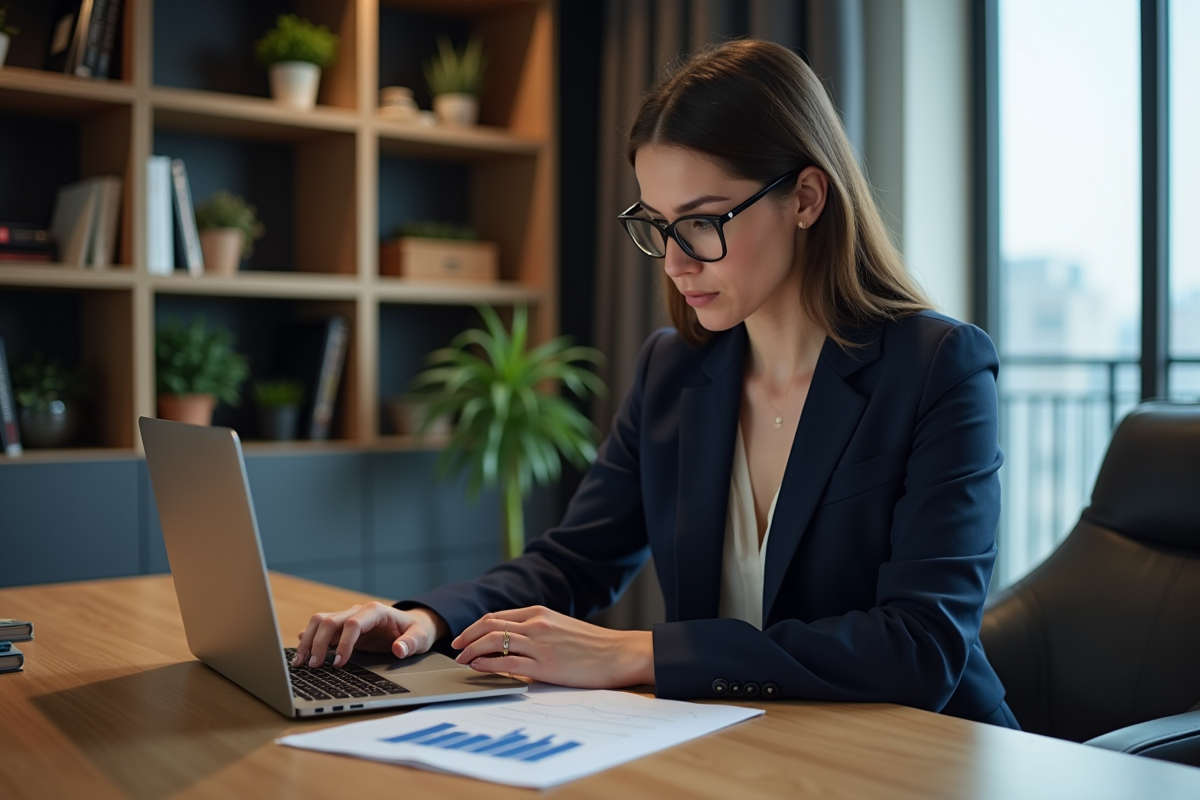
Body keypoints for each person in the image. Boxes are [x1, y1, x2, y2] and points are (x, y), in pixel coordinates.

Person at [293, 39, 1019, 729]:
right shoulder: (674, 370)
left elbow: (921, 648)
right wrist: (426, 621)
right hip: (753, 746)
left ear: (804, 198)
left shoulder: (938, 366)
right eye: (658, 225)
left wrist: (635, 652)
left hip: (928, 755)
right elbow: (577, 559)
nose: (675, 263)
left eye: (703, 223)